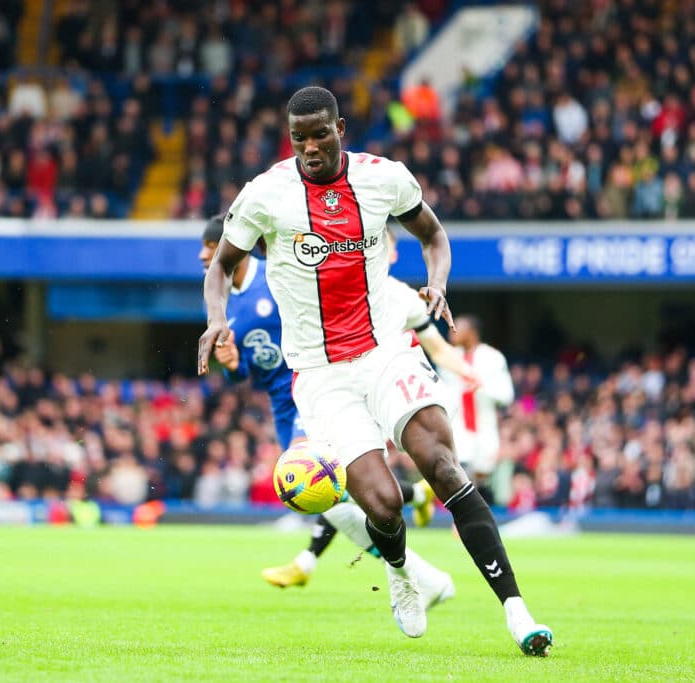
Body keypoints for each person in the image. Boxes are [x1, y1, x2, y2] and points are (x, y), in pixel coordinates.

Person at [199, 86, 552, 654]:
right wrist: (216, 319)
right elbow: (222, 267)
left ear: (341, 128)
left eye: (320, 134)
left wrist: (437, 283)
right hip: (320, 374)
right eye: (299, 138)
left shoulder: (383, 178)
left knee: (442, 463)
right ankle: (399, 570)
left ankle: (517, 611)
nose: (310, 147)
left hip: (386, 349)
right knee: (382, 503)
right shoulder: (266, 194)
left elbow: (434, 236)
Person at [197, 215, 455, 607]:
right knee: (333, 497)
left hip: (315, 389)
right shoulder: (225, 305)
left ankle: (408, 573)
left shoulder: (276, 277)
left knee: (314, 486)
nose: (203, 255)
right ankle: (416, 559)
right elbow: (250, 371)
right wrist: (234, 365)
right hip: (284, 406)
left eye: (211, 247)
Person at [259, 228, 481, 589]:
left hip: (378, 401)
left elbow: (437, 348)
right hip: (326, 392)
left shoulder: (400, 297)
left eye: (384, 244)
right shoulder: (336, 284)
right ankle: (412, 502)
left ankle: (313, 561)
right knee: (331, 482)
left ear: (389, 254)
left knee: (326, 478)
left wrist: (468, 372)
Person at [440, 315, 514, 497]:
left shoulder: (492, 358)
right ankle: (461, 523)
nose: (451, 332)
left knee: (479, 480)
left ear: (471, 332)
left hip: (484, 430)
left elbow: (507, 395)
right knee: (462, 476)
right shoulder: (447, 358)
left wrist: (480, 387)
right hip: (456, 430)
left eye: (457, 327)